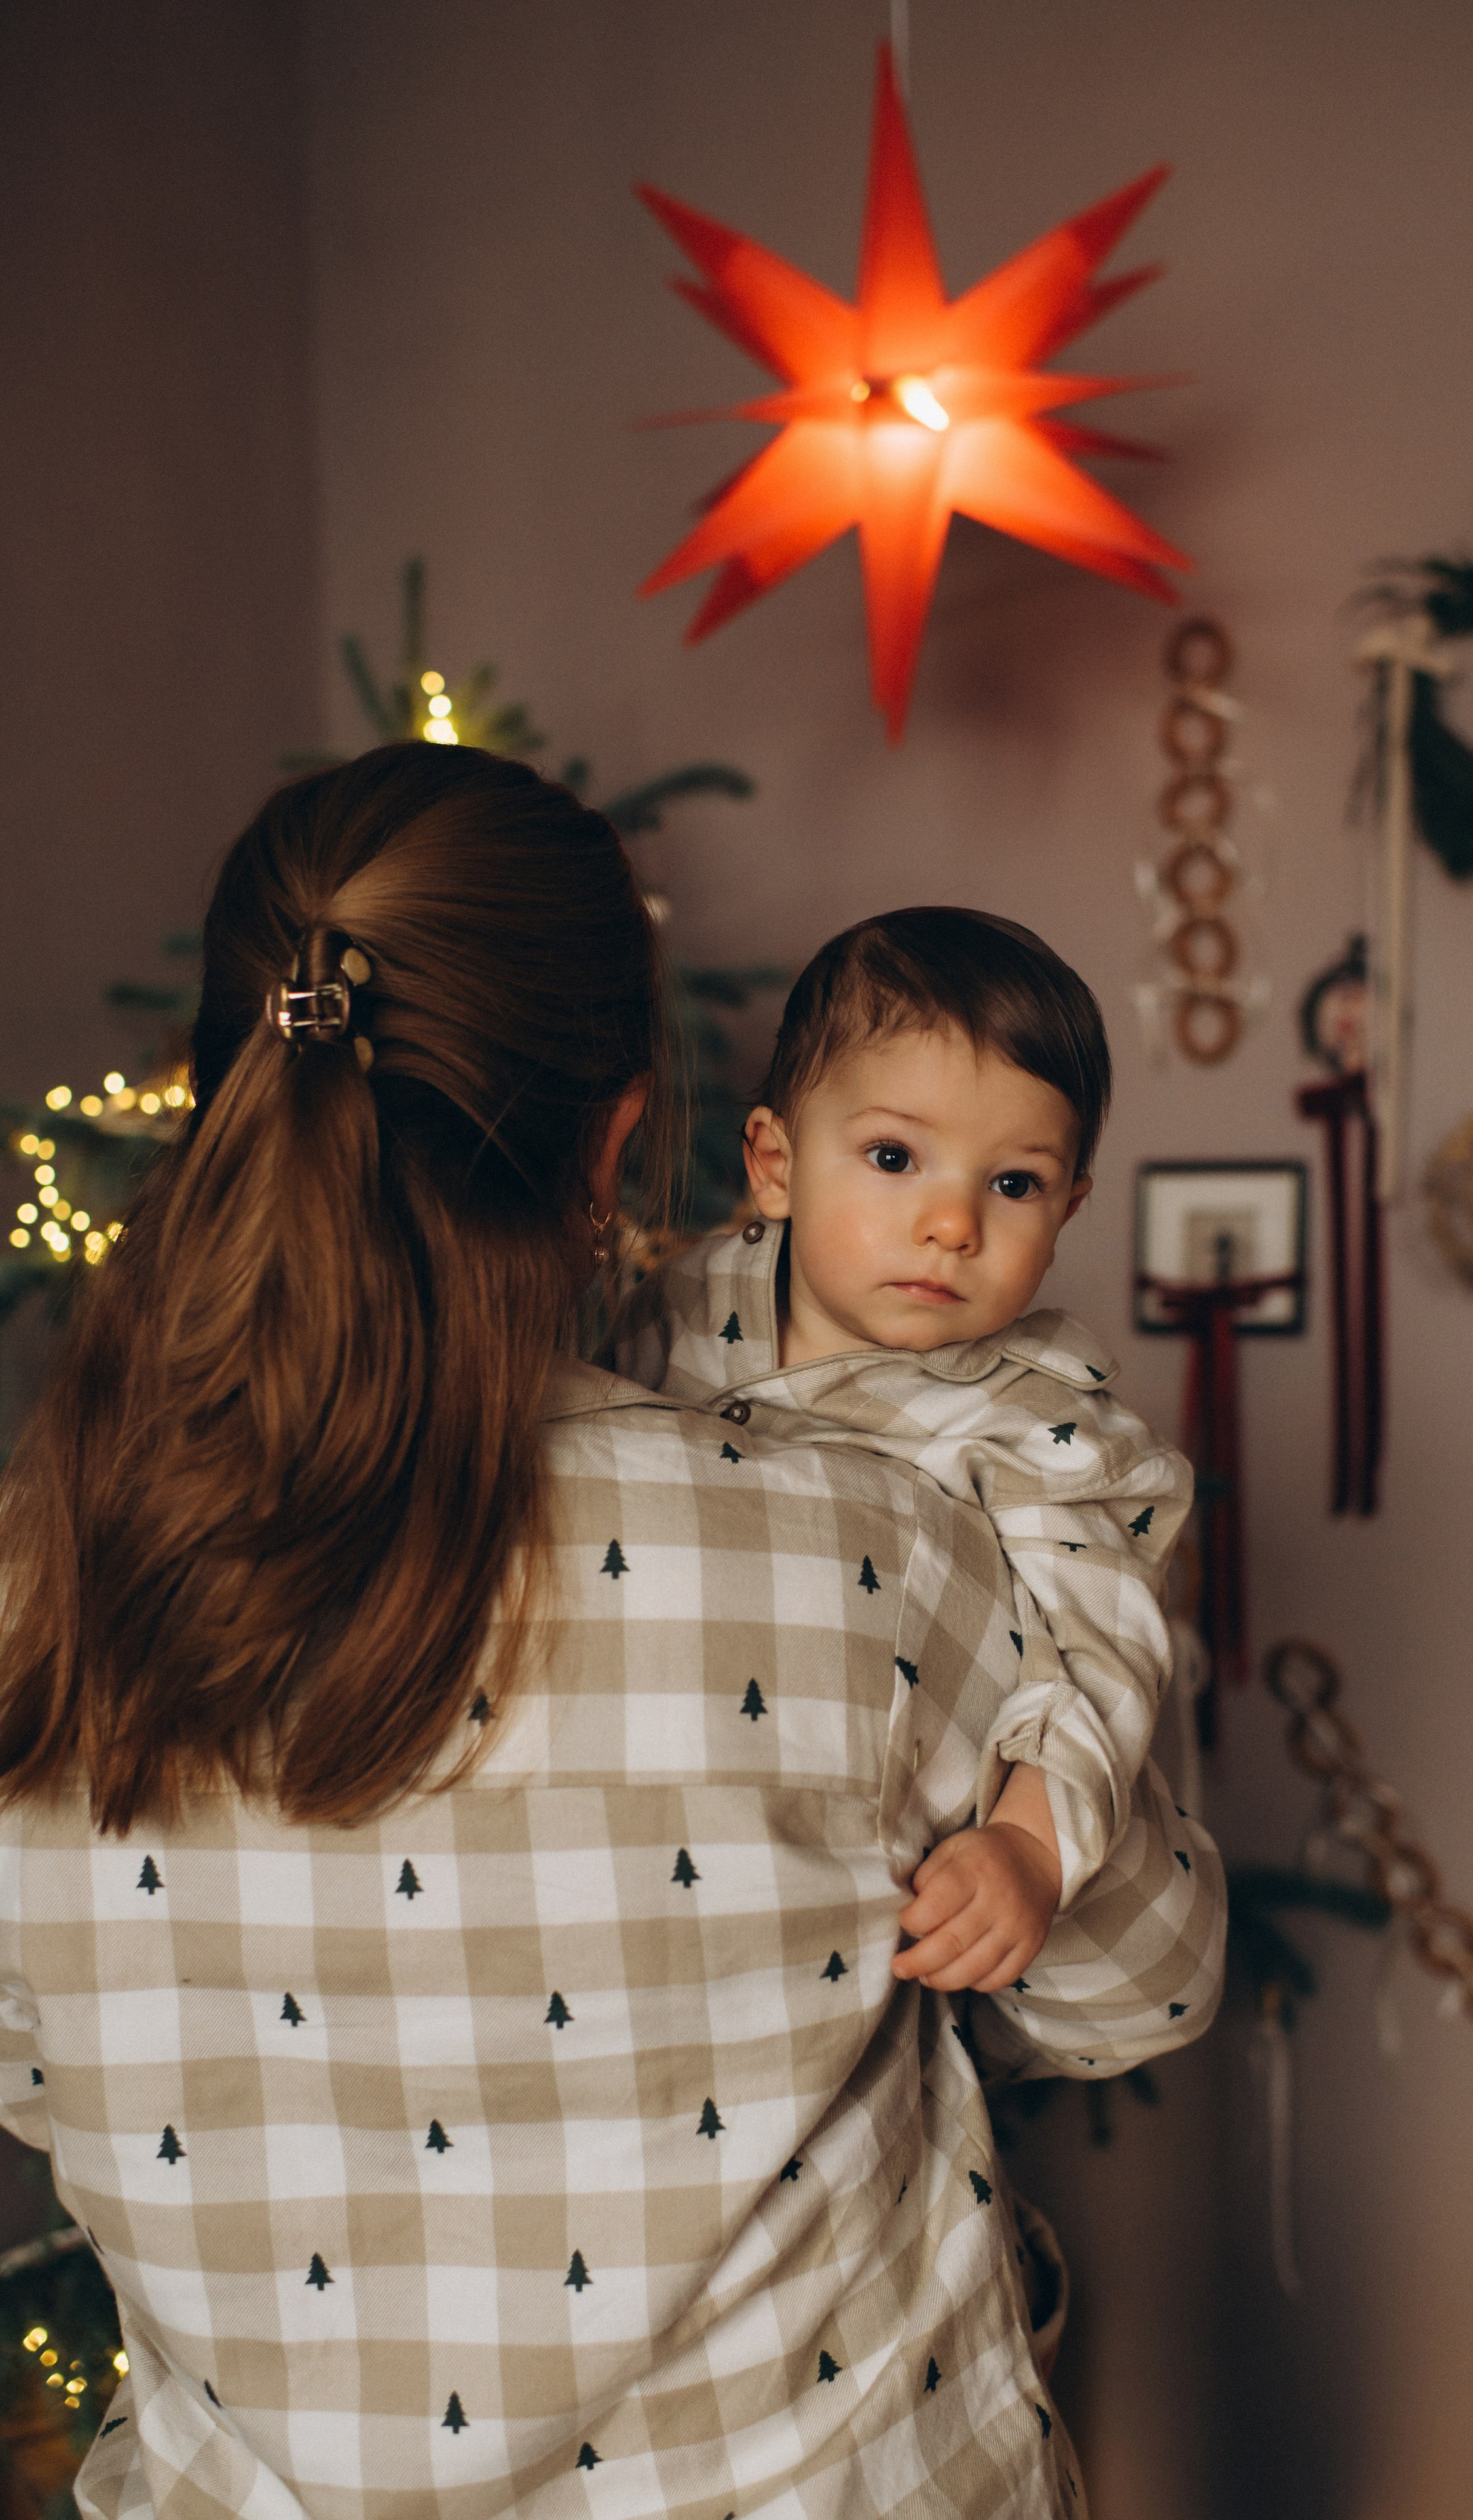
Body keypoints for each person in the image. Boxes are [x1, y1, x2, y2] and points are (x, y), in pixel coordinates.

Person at [0, 753, 1223, 2520]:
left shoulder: (48, 1576)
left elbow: (35, 2064)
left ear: (230, 1084)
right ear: (616, 1138)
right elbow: (1136, 1985)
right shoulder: (865, 1544)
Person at [612, 907, 1198, 1996]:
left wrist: (1028, 1847)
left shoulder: (1042, 1424)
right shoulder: (668, 1316)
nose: (953, 1223)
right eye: (894, 1158)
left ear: (1068, 1209)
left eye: (1014, 1184)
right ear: (776, 1164)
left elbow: (1099, 1658)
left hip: (888, 1853)